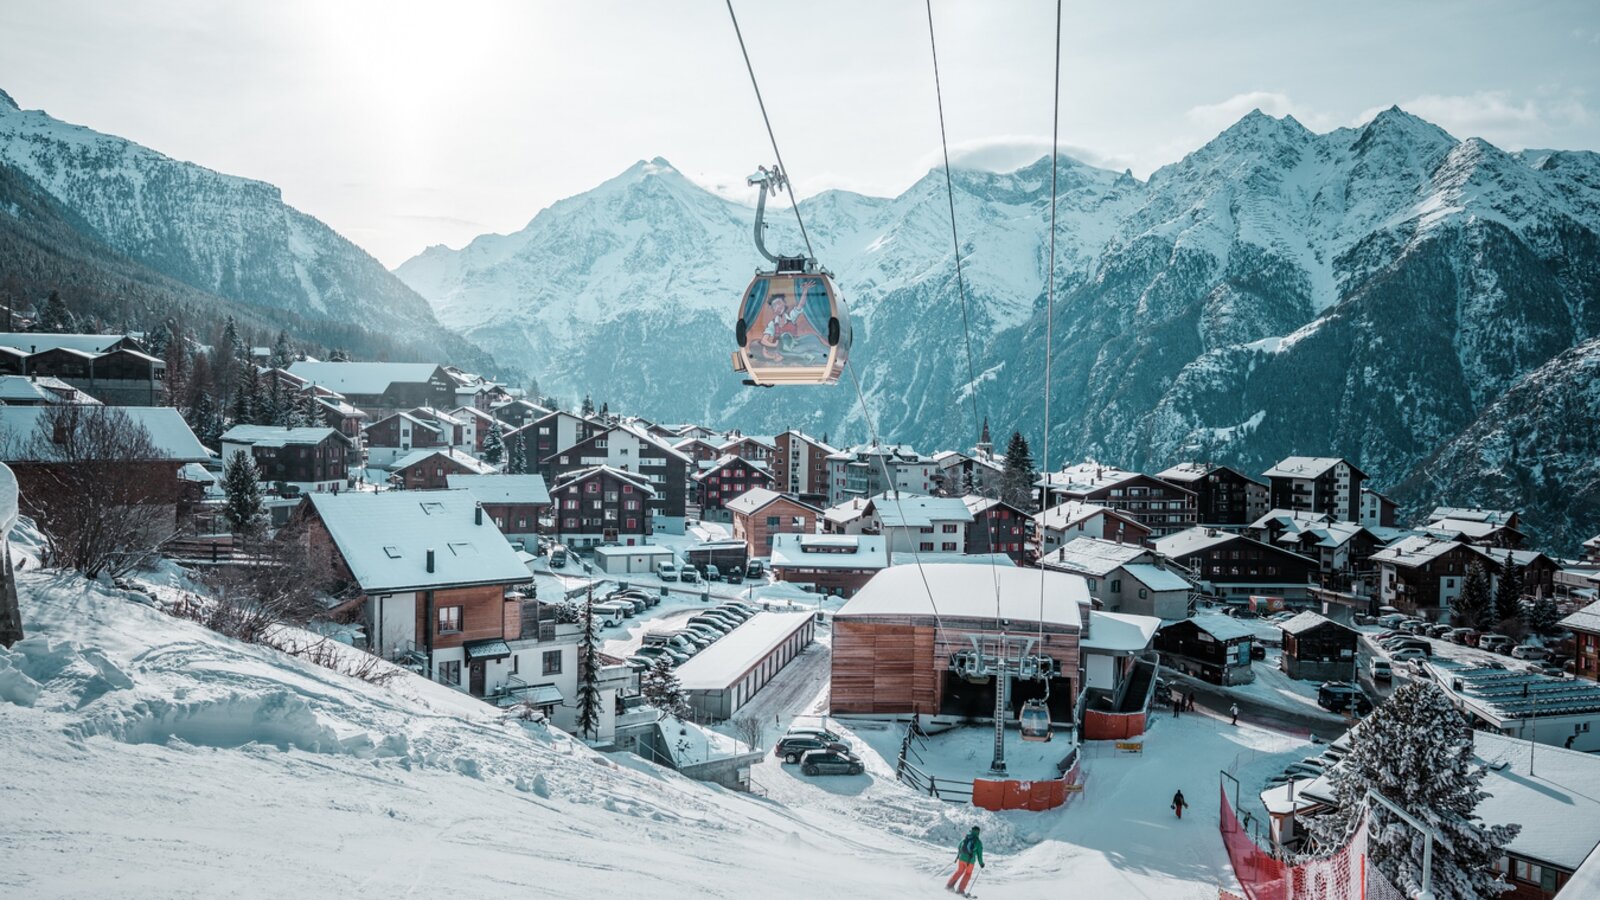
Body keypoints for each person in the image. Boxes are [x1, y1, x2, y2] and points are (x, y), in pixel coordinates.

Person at [946, 826, 984, 895]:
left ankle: (949, 885)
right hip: (970, 861)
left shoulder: (966, 838)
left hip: (961, 858)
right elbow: (979, 854)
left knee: (959, 871)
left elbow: (959, 846)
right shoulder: (978, 842)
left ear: (971, 830)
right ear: (978, 832)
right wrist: (981, 863)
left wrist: (958, 856)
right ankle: (960, 890)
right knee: (967, 874)